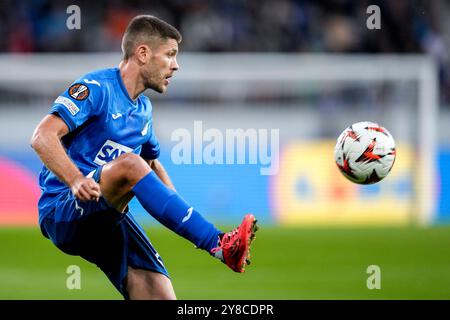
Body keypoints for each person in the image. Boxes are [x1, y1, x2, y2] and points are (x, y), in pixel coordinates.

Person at [30, 15, 258, 300]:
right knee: (130, 164)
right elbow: (42, 136)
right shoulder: (97, 88)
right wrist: (75, 179)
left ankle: (213, 242)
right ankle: (219, 244)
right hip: (64, 209)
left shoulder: (143, 112)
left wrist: (184, 220)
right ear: (143, 53)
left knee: (160, 295)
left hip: (106, 218)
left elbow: (151, 166)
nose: (176, 65)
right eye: (170, 55)